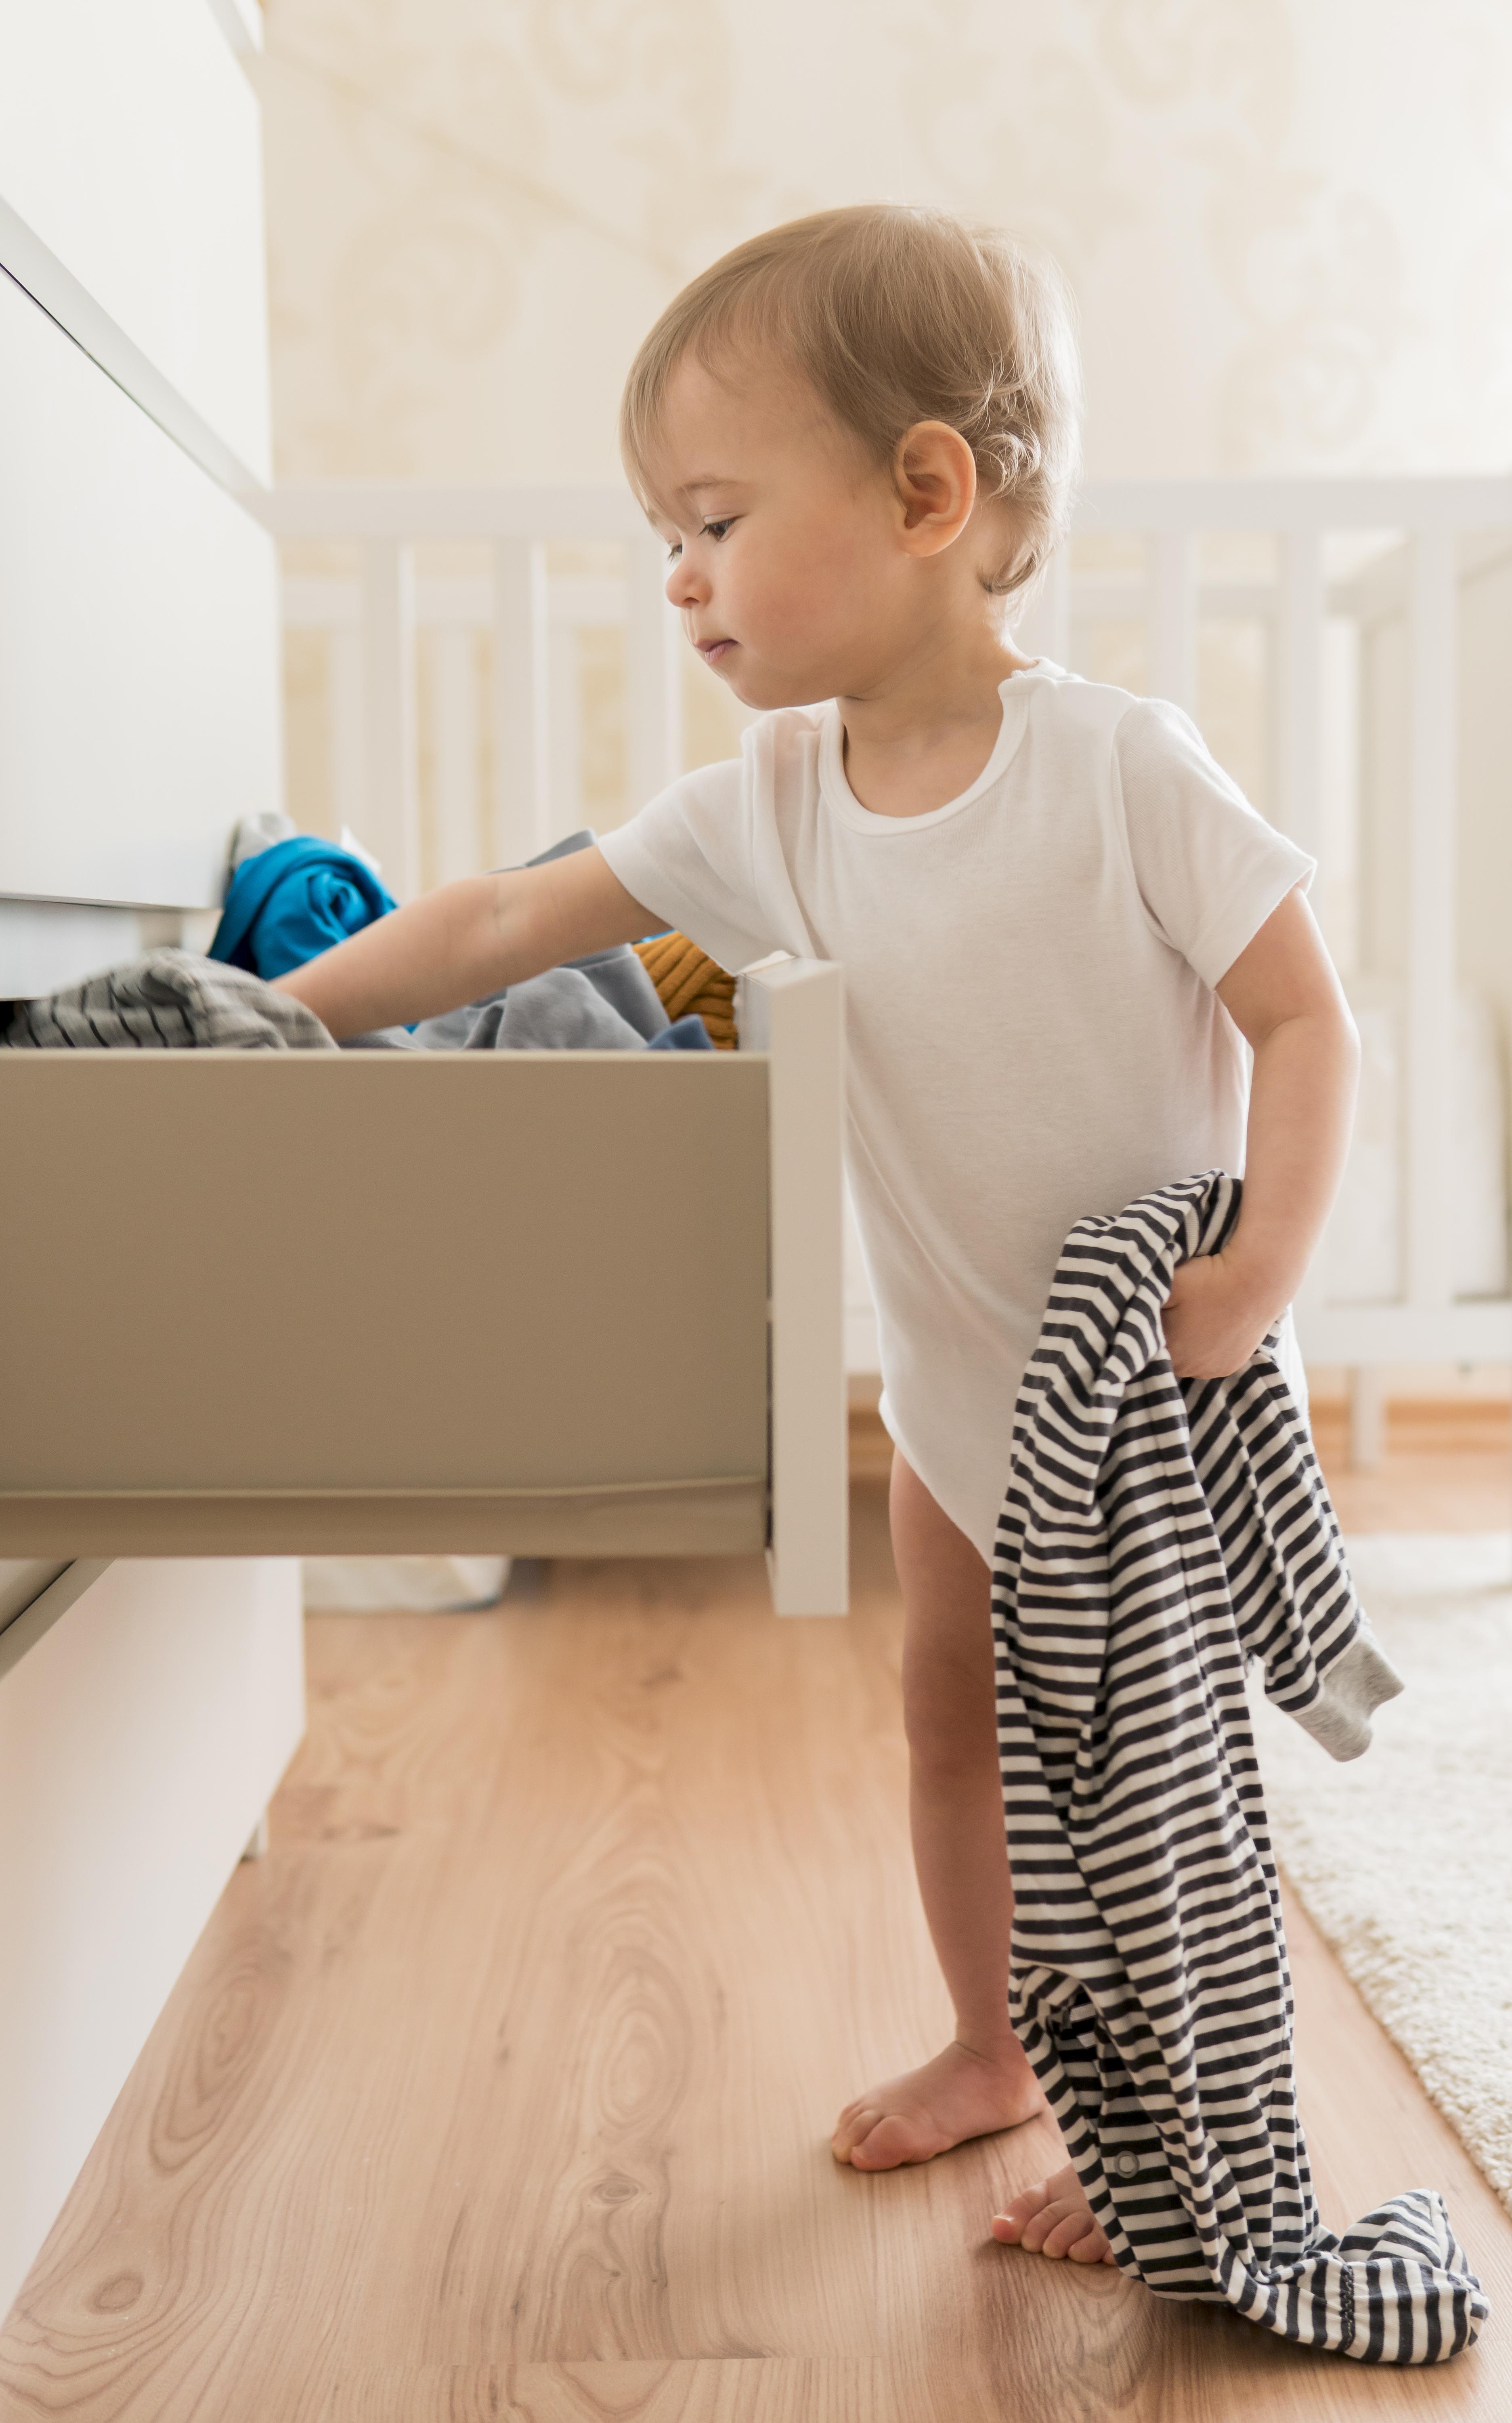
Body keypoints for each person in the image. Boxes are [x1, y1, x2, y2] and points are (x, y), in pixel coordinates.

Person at [276, 204, 1359, 2268]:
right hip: (963, 1397)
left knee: (1144, 1776)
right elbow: (511, 919)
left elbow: (1303, 1016)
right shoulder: (779, 794)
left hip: (1153, 1396)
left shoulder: (1121, 769)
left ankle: (1180, 2133)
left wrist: (1261, 1279)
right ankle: (992, 2045)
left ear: (924, 491)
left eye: (708, 517)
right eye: (660, 532)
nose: (674, 573)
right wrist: (273, 1017)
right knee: (952, 1719)